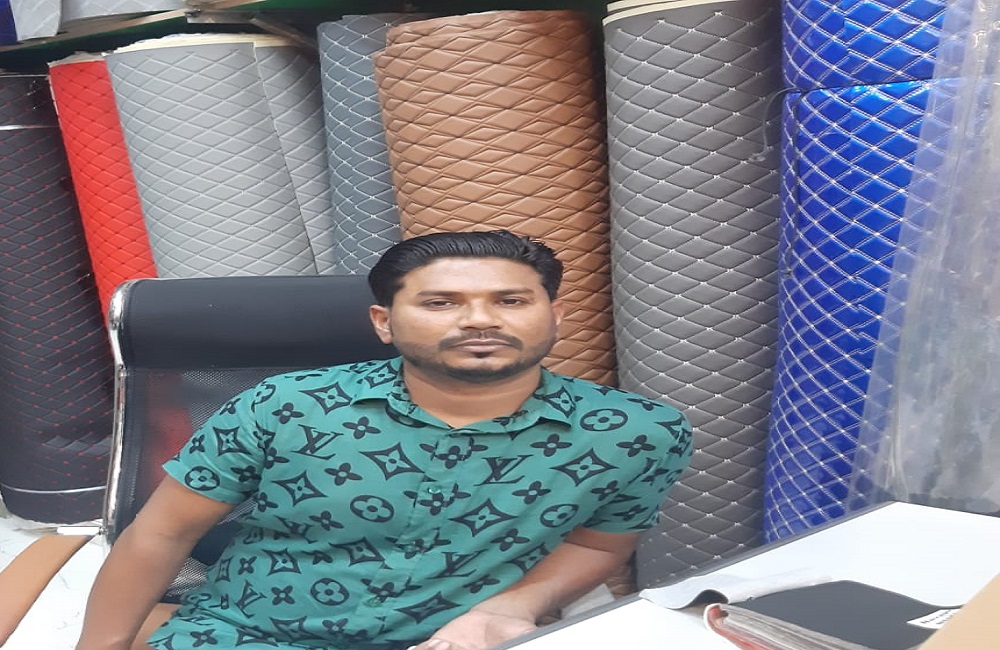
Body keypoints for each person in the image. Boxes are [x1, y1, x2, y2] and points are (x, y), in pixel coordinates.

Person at [75, 229, 692, 650]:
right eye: (441, 302)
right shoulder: (287, 405)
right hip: (251, 633)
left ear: (554, 316)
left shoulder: (635, 433)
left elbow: (598, 543)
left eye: (510, 300)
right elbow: (162, 533)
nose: (480, 319)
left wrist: (516, 606)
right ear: (384, 322)